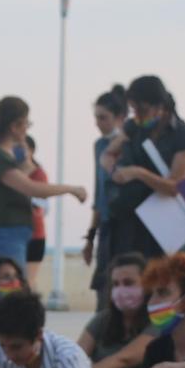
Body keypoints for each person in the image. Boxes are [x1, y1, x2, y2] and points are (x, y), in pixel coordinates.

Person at [0, 96, 87, 272]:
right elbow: (32, 188)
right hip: (6, 234)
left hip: (11, 233)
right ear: (15, 126)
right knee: (10, 286)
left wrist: (25, 160)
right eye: (26, 124)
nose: (27, 129)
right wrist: (72, 189)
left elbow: (18, 180)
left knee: (14, 285)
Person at [100, 76, 185, 275]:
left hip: (161, 226)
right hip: (128, 219)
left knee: (158, 278)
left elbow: (175, 186)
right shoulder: (133, 128)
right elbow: (106, 155)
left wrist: (139, 173)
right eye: (134, 110)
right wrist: (114, 172)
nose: (138, 116)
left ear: (159, 106)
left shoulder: (182, 134)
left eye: (141, 110)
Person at [82, 84, 130, 293]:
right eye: (96, 118)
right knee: (104, 287)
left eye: (103, 118)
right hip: (106, 225)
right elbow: (98, 193)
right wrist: (90, 237)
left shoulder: (130, 145)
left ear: (119, 117)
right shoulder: (99, 146)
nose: (98, 123)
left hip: (128, 226)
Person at [78, 252, 151, 368]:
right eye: (116, 284)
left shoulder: (156, 322)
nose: (121, 290)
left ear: (147, 285)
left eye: (128, 283)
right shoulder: (103, 319)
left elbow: (123, 361)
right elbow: (75, 356)